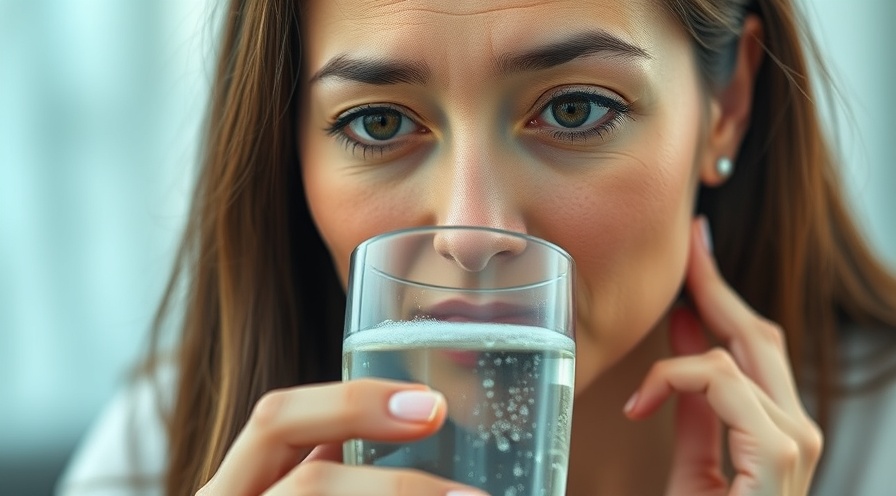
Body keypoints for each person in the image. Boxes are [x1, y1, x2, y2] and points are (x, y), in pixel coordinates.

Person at [58, 0, 896, 495]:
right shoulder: (162, 451)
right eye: (377, 122)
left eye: (574, 110)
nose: (468, 233)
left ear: (728, 107)